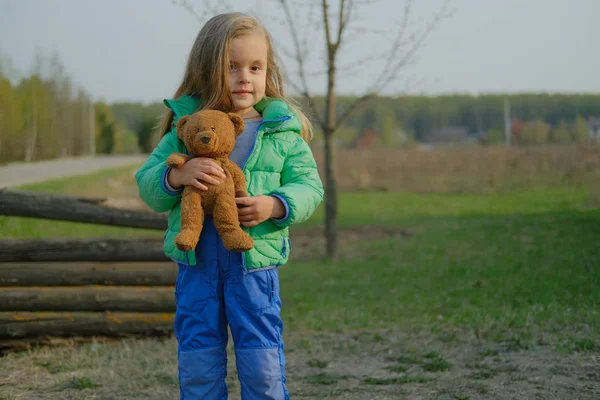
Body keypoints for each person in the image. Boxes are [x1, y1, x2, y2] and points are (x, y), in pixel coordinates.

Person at [135, 12, 324, 400]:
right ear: (208, 70)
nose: (244, 77)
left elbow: (310, 186)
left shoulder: (281, 131)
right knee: (198, 361)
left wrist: (275, 205)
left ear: (267, 71)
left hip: (254, 266)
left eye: (256, 67)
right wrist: (176, 178)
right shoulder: (185, 130)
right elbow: (147, 185)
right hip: (197, 265)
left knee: (262, 365)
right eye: (232, 67)